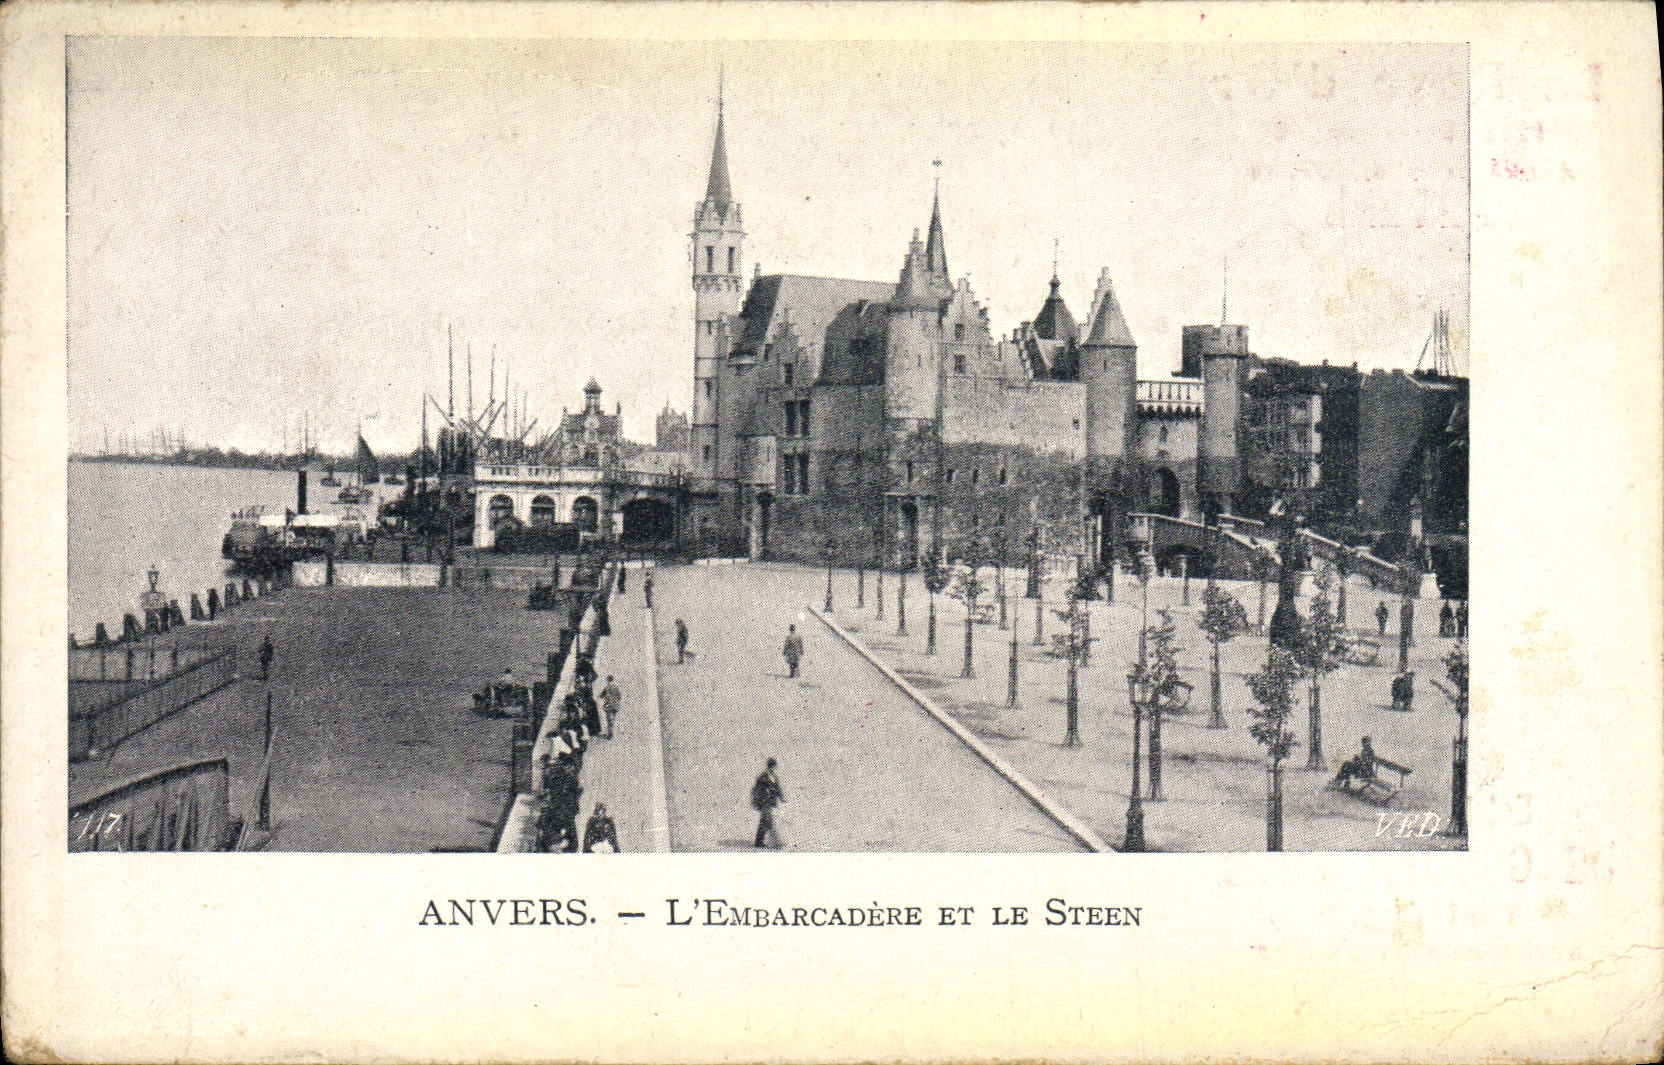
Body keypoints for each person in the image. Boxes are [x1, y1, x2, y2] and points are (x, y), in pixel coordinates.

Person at [750, 758, 785, 849]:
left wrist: (781, 797)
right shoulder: (763, 777)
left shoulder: (773, 777)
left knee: (764, 822)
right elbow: (757, 790)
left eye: (773, 767)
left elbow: (777, 788)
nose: (772, 768)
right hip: (764, 802)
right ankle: (775, 842)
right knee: (768, 821)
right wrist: (764, 794)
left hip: (770, 803)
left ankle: (759, 842)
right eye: (771, 766)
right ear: (768, 766)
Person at [600, 675, 622, 739]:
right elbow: (619, 696)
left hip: (608, 706)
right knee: (613, 719)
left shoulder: (606, 688)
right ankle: (611, 732)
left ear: (607, 680)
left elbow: (601, 696)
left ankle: (610, 734)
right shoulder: (616, 688)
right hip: (615, 706)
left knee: (609, 720)